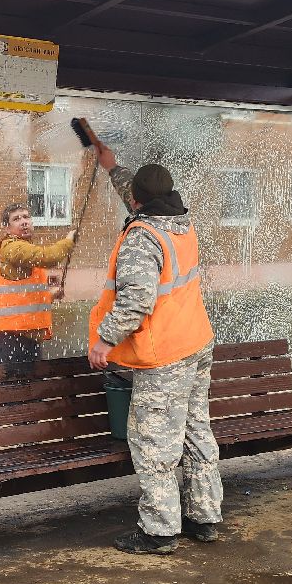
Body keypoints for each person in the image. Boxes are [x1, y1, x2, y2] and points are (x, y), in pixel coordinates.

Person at [86, 142, 220, 555]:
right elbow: (131, 187)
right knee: (197, 433)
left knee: (154, 444)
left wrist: (104, 341)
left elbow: (135, 301)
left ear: (139, 200)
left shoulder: (142, 238)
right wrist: (107, 161)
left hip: (164, 356)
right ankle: (204, 516)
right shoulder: (181, 222)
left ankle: (160, 531)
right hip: (196, 343)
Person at [0, 202, 77, 373]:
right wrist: (68, 242)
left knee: (27, 391)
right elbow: (48, 257)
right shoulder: (12, 247)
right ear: (7, 228)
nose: (24, 222)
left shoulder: (22, 249)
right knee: (15, 392)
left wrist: (49, 295)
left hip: (23, 336)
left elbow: (21, 297)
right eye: (16, 219)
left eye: (26, 217)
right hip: (10, 339)